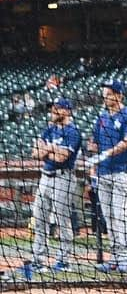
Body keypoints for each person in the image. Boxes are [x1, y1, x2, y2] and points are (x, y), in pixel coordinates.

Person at [86, 80, 127, 274]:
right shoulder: (102, 117)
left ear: (118, 95)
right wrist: (92, 154)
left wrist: (108, 152)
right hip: (103, 173)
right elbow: (93, 141)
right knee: (109, 218)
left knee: (121, 216)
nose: (104, 96)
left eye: (108, 94)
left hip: (123, 171)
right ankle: (116, 259)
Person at [29, 97, 82, 272]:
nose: (53, 111)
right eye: (52, 108)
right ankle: (38, 260)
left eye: (57, 108)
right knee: (39, 220)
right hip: (45, 178)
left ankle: (64, 261)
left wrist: (48, 149)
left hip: (63, 178)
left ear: (67, 111)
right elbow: (35, 153)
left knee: (62, 221)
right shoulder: (49, 129)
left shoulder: (73, 132)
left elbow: (61, 158)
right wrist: (51, 150)